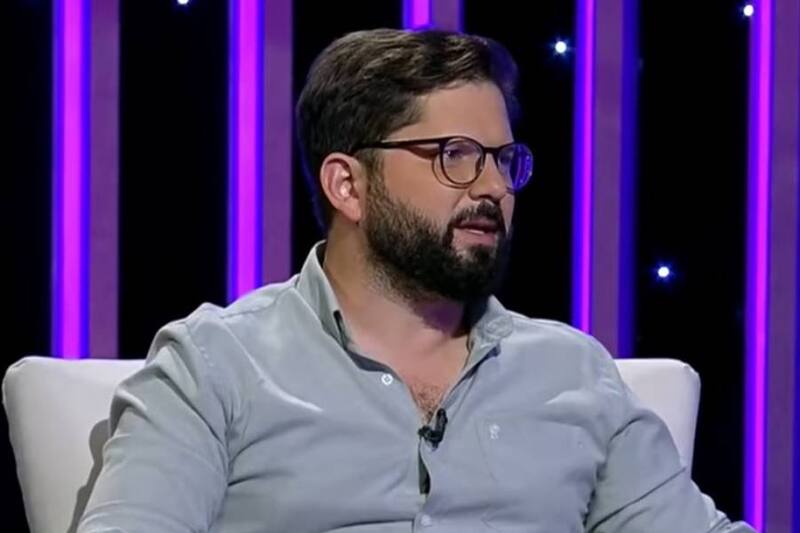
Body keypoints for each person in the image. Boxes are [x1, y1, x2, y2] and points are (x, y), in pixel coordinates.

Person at [78, 28, 756, 533]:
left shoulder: (574, 373)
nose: (492, 187)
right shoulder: (214, 367)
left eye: (503, 160)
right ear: (348, 185)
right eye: (454, 155)